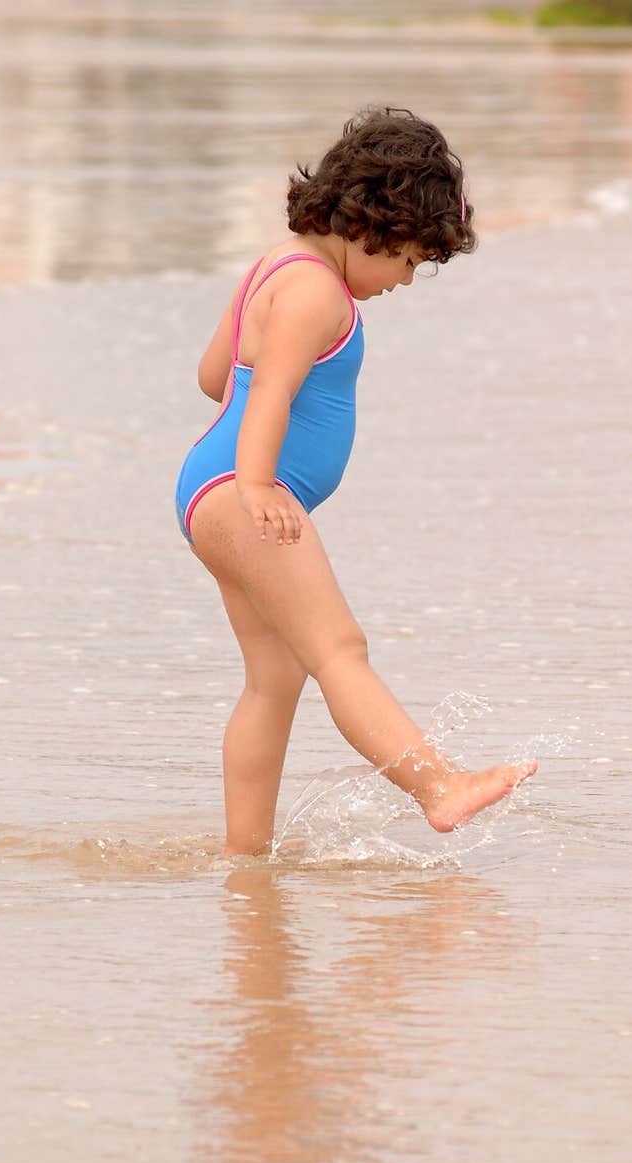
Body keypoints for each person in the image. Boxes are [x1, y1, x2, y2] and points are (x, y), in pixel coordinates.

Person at [174, 106, 537, 857]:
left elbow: (217, 377)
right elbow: (268, 392)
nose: (406, 280)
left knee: (273, 680)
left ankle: (246, 854)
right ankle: (442, 788)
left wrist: (246, 478)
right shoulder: (315, 292)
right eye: (408, 260)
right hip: (243, 493)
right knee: (340, 649)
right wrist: (258, 483)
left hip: (210, 489)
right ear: (374, 223)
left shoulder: (274, 266)